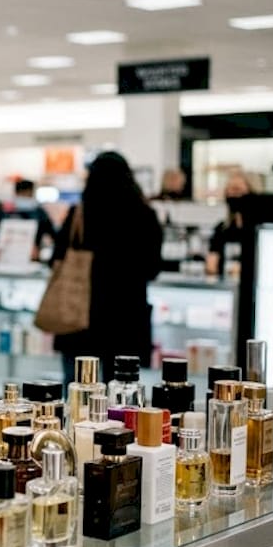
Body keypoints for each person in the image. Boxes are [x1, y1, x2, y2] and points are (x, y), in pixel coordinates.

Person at [52, 151, 163, 384]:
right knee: (121, 396)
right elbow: (152, 267)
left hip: (80, 315)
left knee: (78, 395)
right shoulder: (144, 216)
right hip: (126, 317)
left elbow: (57, 258)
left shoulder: (79, 215)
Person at [0, 179, 57, 258]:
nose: (25, 196)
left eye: (27, 194)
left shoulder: (40, 213)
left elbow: (53, 235)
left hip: (29, 257)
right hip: (4, 256)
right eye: (23, 194)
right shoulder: (2, 212)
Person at [206, 171, 253, 278]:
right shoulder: (221, 229)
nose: (234, 195)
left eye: (238, 190)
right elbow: (211, 263)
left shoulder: (255, 230)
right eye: (231, 191)